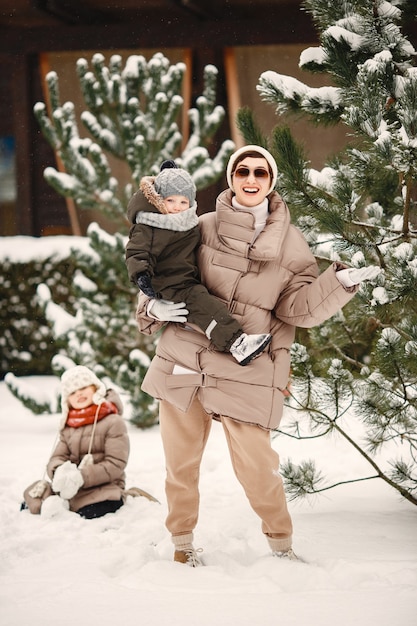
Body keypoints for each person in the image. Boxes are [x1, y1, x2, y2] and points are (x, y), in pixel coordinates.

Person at [133, 145, 380, 566]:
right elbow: (161, 273)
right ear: (231, 177)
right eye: (242, 170)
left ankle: (281, 545)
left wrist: (338, 283)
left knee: (257, 468)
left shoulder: (291, 245)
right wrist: (149, 307)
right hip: (184, 356)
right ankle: (181, 545)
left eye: (260, 172)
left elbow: (295, 309)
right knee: (180, 464)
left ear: (271, 180)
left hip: (247, 363)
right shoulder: (201, 225)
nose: (250, 179)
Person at [125, 160, 271, 366]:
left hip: (184, 279)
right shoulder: (151, 224)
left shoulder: (188, 222)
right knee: (205, 306)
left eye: (183, 202)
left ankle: (235, 342)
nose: (177, 207)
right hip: (169, 283)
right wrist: (142, 277)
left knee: (204, 308)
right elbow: (137, 253)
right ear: (158, 200)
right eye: (171, 200)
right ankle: (237, 344)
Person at [22, 365, 130, 519]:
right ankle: (56, 503)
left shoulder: (113, 421)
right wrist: (59, 471)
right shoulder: (69, 426)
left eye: (83, 387)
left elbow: (116, 463)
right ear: (67, 400)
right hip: (69, 487)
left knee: (92, 509)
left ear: (95, 389)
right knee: (34, 499)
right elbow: (56, 457)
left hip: (104, 485)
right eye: (72, 392)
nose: (78, 393)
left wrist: (81, 477)